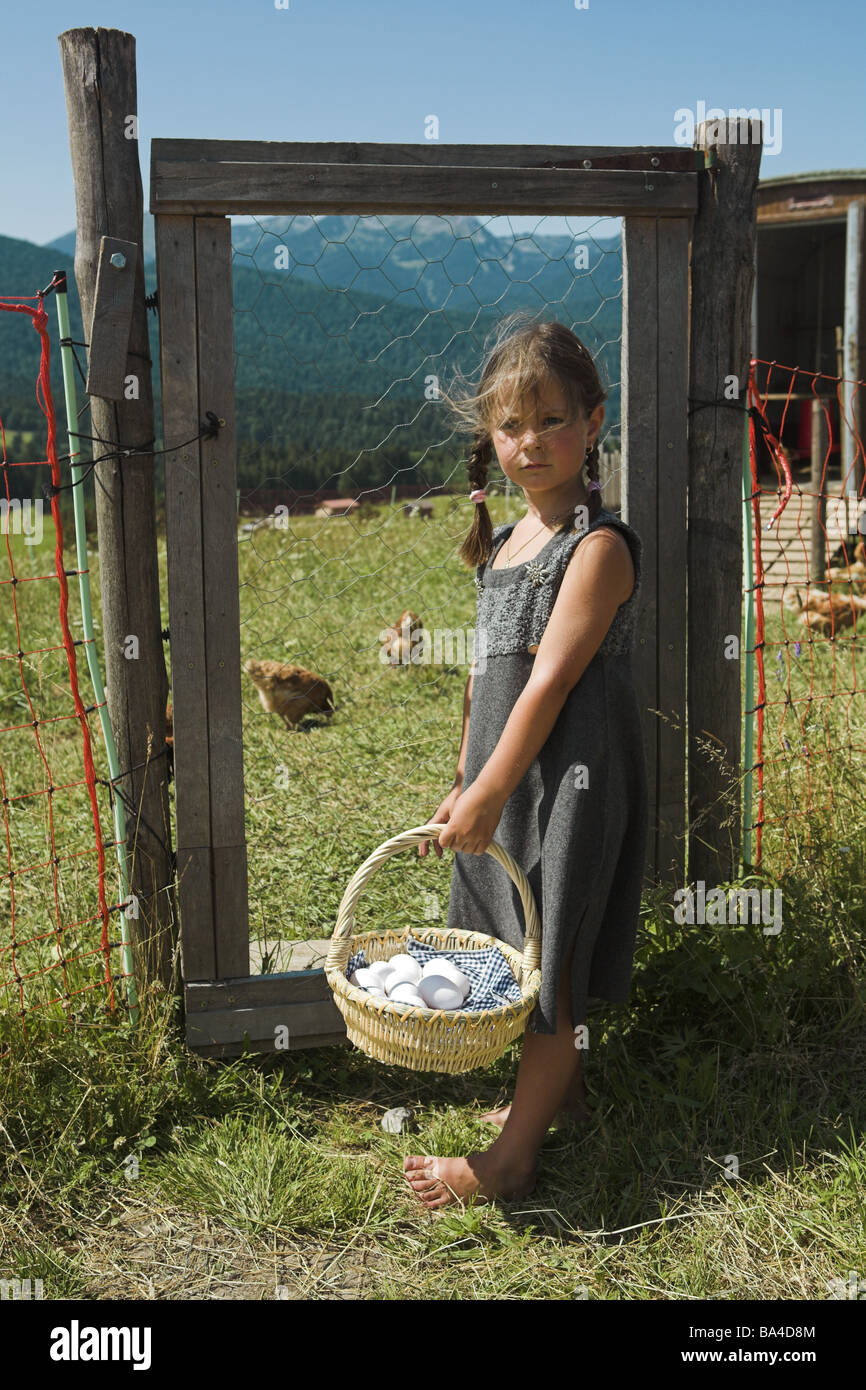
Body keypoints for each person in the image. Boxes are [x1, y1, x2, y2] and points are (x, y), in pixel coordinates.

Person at [404, 314, 649, 1209]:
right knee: (514, 943)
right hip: (509, 776)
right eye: (511, 425)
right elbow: (488, 681)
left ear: (593, 421)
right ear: (490, 439)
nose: (531, 442)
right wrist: (469, 777)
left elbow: (547, 686)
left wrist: (496, 784)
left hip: (571, 783)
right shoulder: (507, 544)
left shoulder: (599, 548)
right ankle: (562, 1094)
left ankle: (509, 1162)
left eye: (551, 419)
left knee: (555, 957)